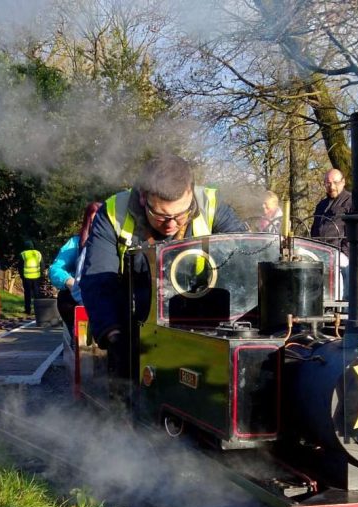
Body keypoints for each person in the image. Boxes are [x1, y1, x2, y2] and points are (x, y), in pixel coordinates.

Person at [80, 154, 247, 382]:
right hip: (134, 326)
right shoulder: (112, 213)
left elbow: (244, 257)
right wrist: (112, 334)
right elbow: (98, 279)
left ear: (191, 192)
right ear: (142, 197)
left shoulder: (212, 205)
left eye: (180, 215)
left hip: (200, 324)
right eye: (160, 215)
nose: (171, 224)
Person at [49, 201, 102, 339]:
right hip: (79, 293)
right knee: (65, 299)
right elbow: (55, 269)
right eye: (92, 220)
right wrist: (68, 281)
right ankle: (76, 336)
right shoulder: (75, 243)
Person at [311, 168, 353, 299]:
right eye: (328, 183)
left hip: (339, 252)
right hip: (320, 251)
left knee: (339, 264)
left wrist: (344, 251)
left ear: (343, 182)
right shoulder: (321, 205)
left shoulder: (351, 202)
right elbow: (314, 230)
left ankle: (339, 305)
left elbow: (352, 231)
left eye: (335, 182)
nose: (332, 186)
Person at [20, 239, 43, 315]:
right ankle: (39, 310)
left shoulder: (23, 254)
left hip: (26, 277)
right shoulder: (38, 253)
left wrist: (21, 276)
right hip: (36, 276)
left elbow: (20, 266)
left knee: (27, 293)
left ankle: (28, 310)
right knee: (37, 293)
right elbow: (42, 265)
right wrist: (41, 274)